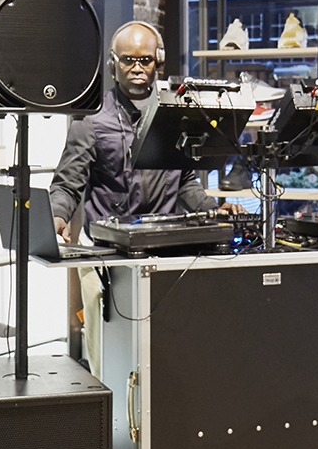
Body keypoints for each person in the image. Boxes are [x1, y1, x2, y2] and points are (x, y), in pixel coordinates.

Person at [49, 20, 240, 376]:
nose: (137, 67)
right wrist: (57, 217)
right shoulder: (91, 118)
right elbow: (68, 181)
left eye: (145, 60)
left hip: (167, 255)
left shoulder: (176, 113)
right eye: (128, 60)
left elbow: (185, 182)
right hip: (108, 259)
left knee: (167, 361)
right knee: (109, 362)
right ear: (114, 63)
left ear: (158, 62)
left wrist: (213, 210)